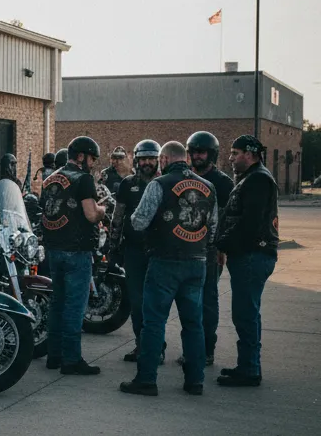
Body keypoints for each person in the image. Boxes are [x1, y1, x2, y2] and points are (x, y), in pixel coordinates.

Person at [120, 141, 217, 397]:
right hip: (197, 261)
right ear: (185, 159)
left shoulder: (158, 184)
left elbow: (139, 222)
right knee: (193, 324)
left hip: (164, 261)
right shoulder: (208, 187)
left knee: (153, 322)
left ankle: (146, 380)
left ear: (163, 160)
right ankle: (195, 381)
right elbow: (213, 229)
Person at [215, 134, 279, 387]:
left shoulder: (258, 179)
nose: (230, 158)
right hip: (249, 255)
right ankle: (247, 365)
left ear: (250, 155)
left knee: (245, 314)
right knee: (245, 313)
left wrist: (222, 243)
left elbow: (249, 223)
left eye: (235, 153)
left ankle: (250, 369)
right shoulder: (250, 178)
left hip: (253, 255)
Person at [40, 135, 105, 375]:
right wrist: (102, 210)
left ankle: (54, 356)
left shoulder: (50, 178)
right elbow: (91, 214)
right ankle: (71, 360)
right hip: (76, 251)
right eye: (92, 158)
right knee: (75, 307)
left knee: (57, 303)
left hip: (53, 249)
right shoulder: (83, 179)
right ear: (81, 156)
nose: (93, 163)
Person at [108, 138, 161, 362]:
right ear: (136, 160)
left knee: (156, 303)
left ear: (158, 160)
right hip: (133, 251)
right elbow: (117, 217)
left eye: (151, 158)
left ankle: (156, 348)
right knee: (137, 302)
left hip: (159, 253)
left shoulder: (166, 183)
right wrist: (112, 247)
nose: (147, 162)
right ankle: (141, 344)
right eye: (143, 158)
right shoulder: (127, 184)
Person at [185, 131, 235, 365]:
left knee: (207, 301)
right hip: (185, 249)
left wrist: (221, 249)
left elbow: (228, 219)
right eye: (193, 152)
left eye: (201, 152)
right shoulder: (184, 178)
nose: (197, 156)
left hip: (210, 251)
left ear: (211, 154)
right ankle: (191, 349)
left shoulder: (223, 183)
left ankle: (206, 350)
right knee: (188, 302)